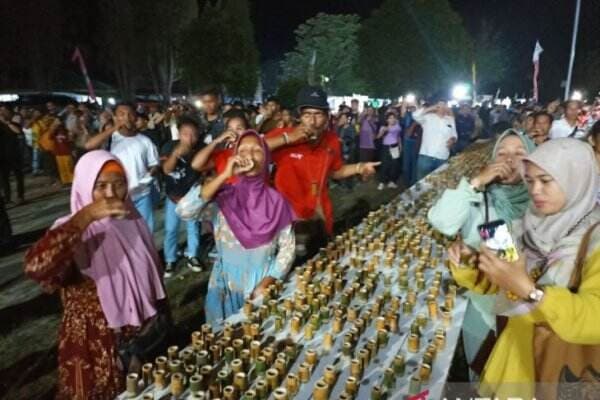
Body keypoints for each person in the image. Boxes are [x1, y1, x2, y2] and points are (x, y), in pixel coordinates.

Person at [448, 138, 600, 399]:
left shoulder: (594, 240)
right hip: (515, 357)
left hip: (559, 368)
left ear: (576, 178)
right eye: (529, 181)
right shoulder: (527, 223)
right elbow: (501, 281)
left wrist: (532, 293)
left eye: (546, 180)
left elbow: (594, 318)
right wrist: (472, 265)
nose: (535, 190)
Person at [24, 151, 167, 399]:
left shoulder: (133, 220)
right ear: (84, 185)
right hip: (95, 339)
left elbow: (153, 275)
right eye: (100, 186)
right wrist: (87, 216)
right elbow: (36, 267)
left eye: (119, 184)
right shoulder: (70, 229)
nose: (111, 194)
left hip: (140, 337)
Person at [429, 130, 535, 381]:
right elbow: (442, 222)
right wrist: (476, 182)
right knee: (480, 376)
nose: (509, 160)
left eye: (519, 154)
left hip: (530, 316)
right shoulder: (478, 198)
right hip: (483, 311)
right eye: (502, 153)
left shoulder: (541, 200)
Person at [176, 131, 295, 322]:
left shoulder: (277, 202)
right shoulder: (223, 197)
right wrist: (224, 175)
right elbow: (184, 210)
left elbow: (287, 250)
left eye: (257, 150)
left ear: (266, 158)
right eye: (243, 149)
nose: (249, 154)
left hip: (260, 283)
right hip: (225, 285)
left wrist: (269, 280)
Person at [265, 86, 379, 260]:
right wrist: (288, 139)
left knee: (318, 264)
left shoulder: (331, 140)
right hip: (287, 221)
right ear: (299, 116)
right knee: (287, 271)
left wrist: (359, 167)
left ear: (326, 117)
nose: (312, 121)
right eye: (307, 114)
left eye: (318, 114)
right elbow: (250, 151)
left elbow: (336, 171)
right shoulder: (284, 136)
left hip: (319, 216)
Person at [85, 102, 160, 232]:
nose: (126, 117)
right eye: (121, 114)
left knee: (146, 230)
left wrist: (147, 177)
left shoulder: (145, 141)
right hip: (117, 195)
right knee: (120, 231)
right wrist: (114, 127)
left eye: (130, 114)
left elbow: (154, 164)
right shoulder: (110, 138)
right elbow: (89, 145)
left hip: (142, 195)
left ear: (135, 117)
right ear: (115, 117)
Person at [160, 117, 204, 277]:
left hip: (192, 197)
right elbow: (166, 170)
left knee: (193, 228)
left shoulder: (201, 148)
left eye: (193, 134)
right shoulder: (169, 146)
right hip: (173, 196)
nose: (190, 138)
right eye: (186, 134)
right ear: (179, 134)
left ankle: (193, 256)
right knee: (170, 229)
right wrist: (176, 154)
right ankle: (170, 259)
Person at [414, 100, 457, 179]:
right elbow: (415, 115)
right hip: (426, 156)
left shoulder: (450, 119)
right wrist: (430, 108)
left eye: (444, 106)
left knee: (438, 182)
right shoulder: (428, 117)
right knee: (421, 182)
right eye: (439, 106)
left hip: (442, 157)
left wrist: (453, 140)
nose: (442, 108)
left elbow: (454, 135)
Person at [0, 105, 25, 204]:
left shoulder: (13, 123)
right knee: (4, 178)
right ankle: (7, 197)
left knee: (19, 176)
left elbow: (18, 132)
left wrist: (7, 122)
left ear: (8, 112)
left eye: (3, 110)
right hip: (2, 155)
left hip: (14, 154)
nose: (1, 112)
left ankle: (20, 196)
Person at [376, 112, 402, 190]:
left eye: (393, 118)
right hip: (385, 147)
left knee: (394, 165)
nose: (392, 119)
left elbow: (397, 135)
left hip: (394, 147)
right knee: (384, 164)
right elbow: (378, 137)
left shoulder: (397, 126)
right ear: (387, 120)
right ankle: (382, 182)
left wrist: (401, 146)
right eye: (390, 118)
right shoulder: (383, 127)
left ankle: (392, 182)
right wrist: (381, 132)